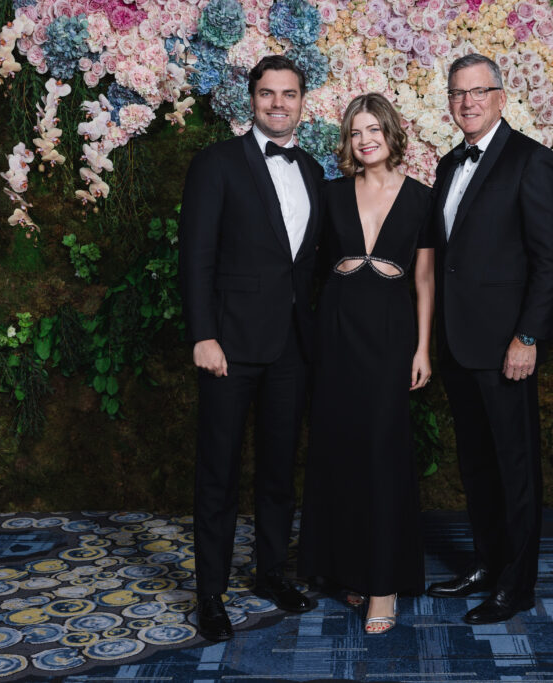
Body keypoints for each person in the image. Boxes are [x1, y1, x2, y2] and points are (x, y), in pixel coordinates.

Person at [178, 55, 324, 642]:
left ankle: (270, 574)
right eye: (268, 94)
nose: (278, 104)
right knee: (218, 472)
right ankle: (210, 594)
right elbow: (195, 257)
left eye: (289, 94)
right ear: (252, 99)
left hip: (292, 345)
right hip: (229, 344)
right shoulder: (216, 163)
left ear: (303, 101)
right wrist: (203, 335)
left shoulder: (312, 169)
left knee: (279, 470)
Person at [426, 54, 553, 624]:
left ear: (501, 97)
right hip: (458, 343)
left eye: (478, 91)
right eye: (458, 93)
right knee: (477, 465)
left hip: (507, 345)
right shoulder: (446, 165)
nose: (468, 102)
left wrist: (527, 336)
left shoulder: (532, 160)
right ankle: (486, 565)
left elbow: (551, 260)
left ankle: (516, 585)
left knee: (515, 469)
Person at [299, 93, 434, 634]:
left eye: (373, 129)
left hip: (390, 334)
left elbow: (424, 280)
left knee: (382, 452)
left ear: (391, 133)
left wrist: (422, 348)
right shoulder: (331, 193)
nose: (364, 140)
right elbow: (306, 266)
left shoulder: (422, 198)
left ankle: (383, 584)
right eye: (356, 132)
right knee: (340, 448)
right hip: (336, 330)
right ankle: (349, 567)